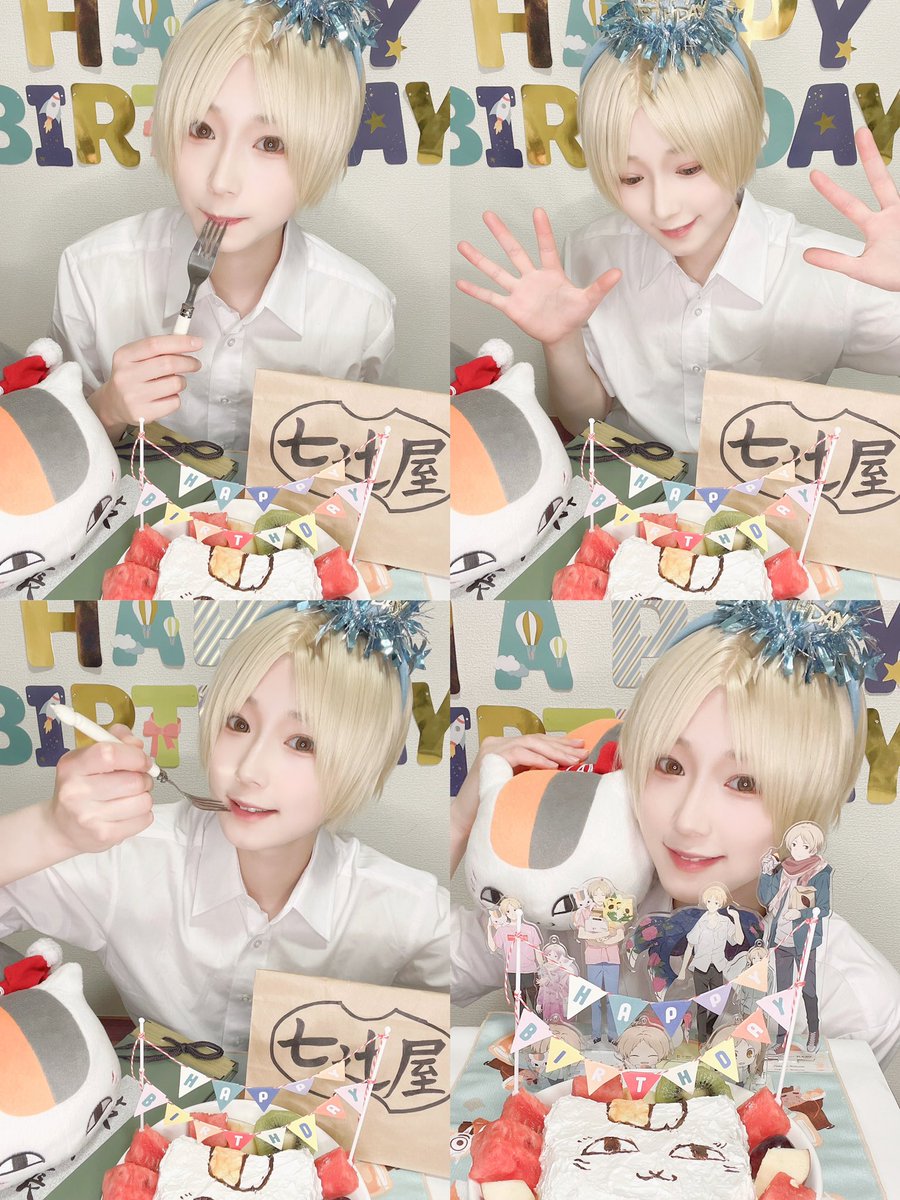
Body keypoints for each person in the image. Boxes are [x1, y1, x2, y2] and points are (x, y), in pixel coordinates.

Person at [451, 601, 900, 1065]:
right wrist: (464, 818)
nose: (687, 820)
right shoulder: (575, 902)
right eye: (670, 765)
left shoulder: (850, 997)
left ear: (812, 801)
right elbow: (432, 965)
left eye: (744, 783)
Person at [455, 0, 900, 453]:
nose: (663, 208)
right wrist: (561, 341)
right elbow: (583, 418)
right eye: (630, 178)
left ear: (744, 140)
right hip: (628, 490)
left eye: (689, 169)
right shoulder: (590, 254)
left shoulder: (830, 271)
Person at [0, 603, 447, 1050]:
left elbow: (485, 967)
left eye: (301, 742)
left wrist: (462, 824)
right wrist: (51, 829)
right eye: (239, 723)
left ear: (363, 764)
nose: (248, 770)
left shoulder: (399, 903)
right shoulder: (130, 855)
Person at [51, 0, 393, 450]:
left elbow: (359, 470)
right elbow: (54, 464)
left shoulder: (363, 314)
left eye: (270, 143)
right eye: (201, 130)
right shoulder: (91, 276)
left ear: (326, 148)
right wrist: (107, 410)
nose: (221, 181)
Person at [759, 821, 832, 1053]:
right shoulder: (782, 869)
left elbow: (824, 908)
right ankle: (782, 1039)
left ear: (814, 848)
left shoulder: (820, 872)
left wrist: (801, 913)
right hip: (781, 938)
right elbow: (765, 897)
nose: (798, 849)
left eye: (804, 845)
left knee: (807, 988)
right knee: (783, 992)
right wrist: (766, 873)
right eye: (794, 844)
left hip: (804, 939)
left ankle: (813, 1031)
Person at [675, 883, 745, 1042]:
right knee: (702, 1005)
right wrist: (682, 970)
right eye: (709, 901)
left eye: (716, 902)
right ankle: (702, 1039)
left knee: (718, 1003)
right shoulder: (701, 922)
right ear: (705, 902)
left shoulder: (725, 922)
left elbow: (738, 940)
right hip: (700, 968)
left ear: (721, 904)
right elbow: (690, 946)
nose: (712, 905)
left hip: (717, 967)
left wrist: (736, 919)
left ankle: (708, 1028)